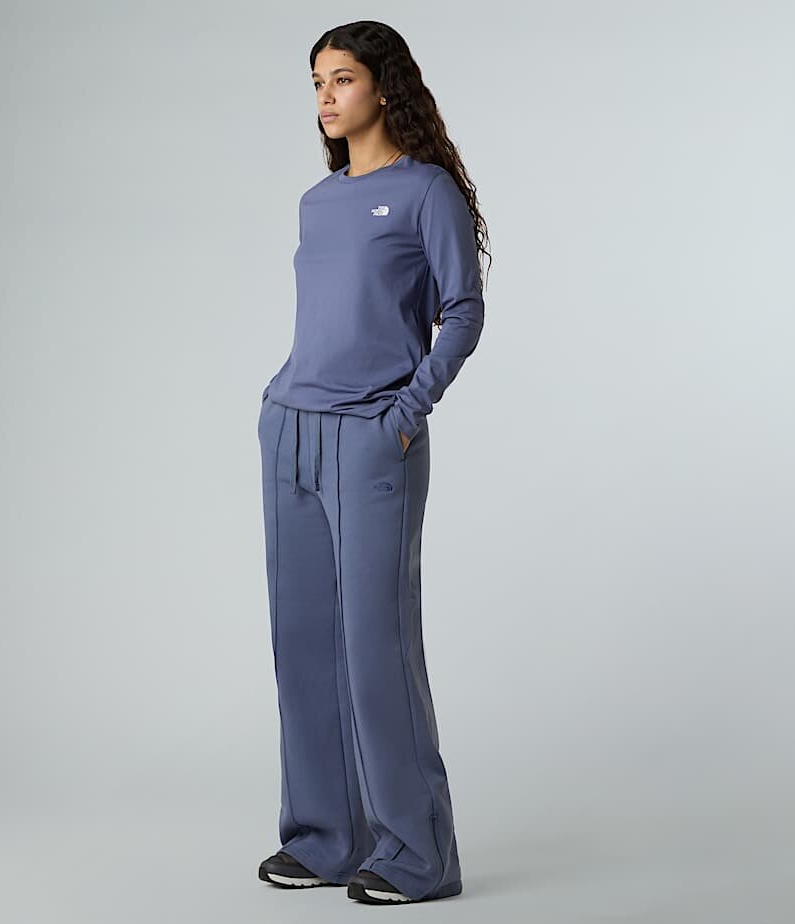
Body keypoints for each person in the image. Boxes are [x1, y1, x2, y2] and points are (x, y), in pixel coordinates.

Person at [256, 20, 490, 906]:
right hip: (292, 429)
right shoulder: (318, 202)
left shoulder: (425, 191)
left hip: (370, 436)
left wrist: (405, 412)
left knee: (375, 646)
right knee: (302, 647)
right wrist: (280, 412)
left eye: (342, 79)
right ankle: (324, 839)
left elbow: (462, 311)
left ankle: (419, 855)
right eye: (317, 81)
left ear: (384, 87)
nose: (325, 96)